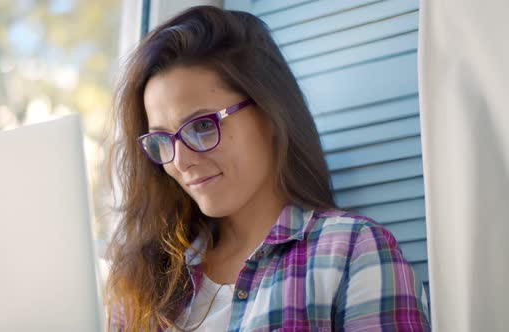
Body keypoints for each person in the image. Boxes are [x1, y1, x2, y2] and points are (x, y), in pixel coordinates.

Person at [103, 5, 431, 331]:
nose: (180, 160)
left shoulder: (352, 253)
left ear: (270, 112)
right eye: (162, 139)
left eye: (202, 126)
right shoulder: (144, 284)